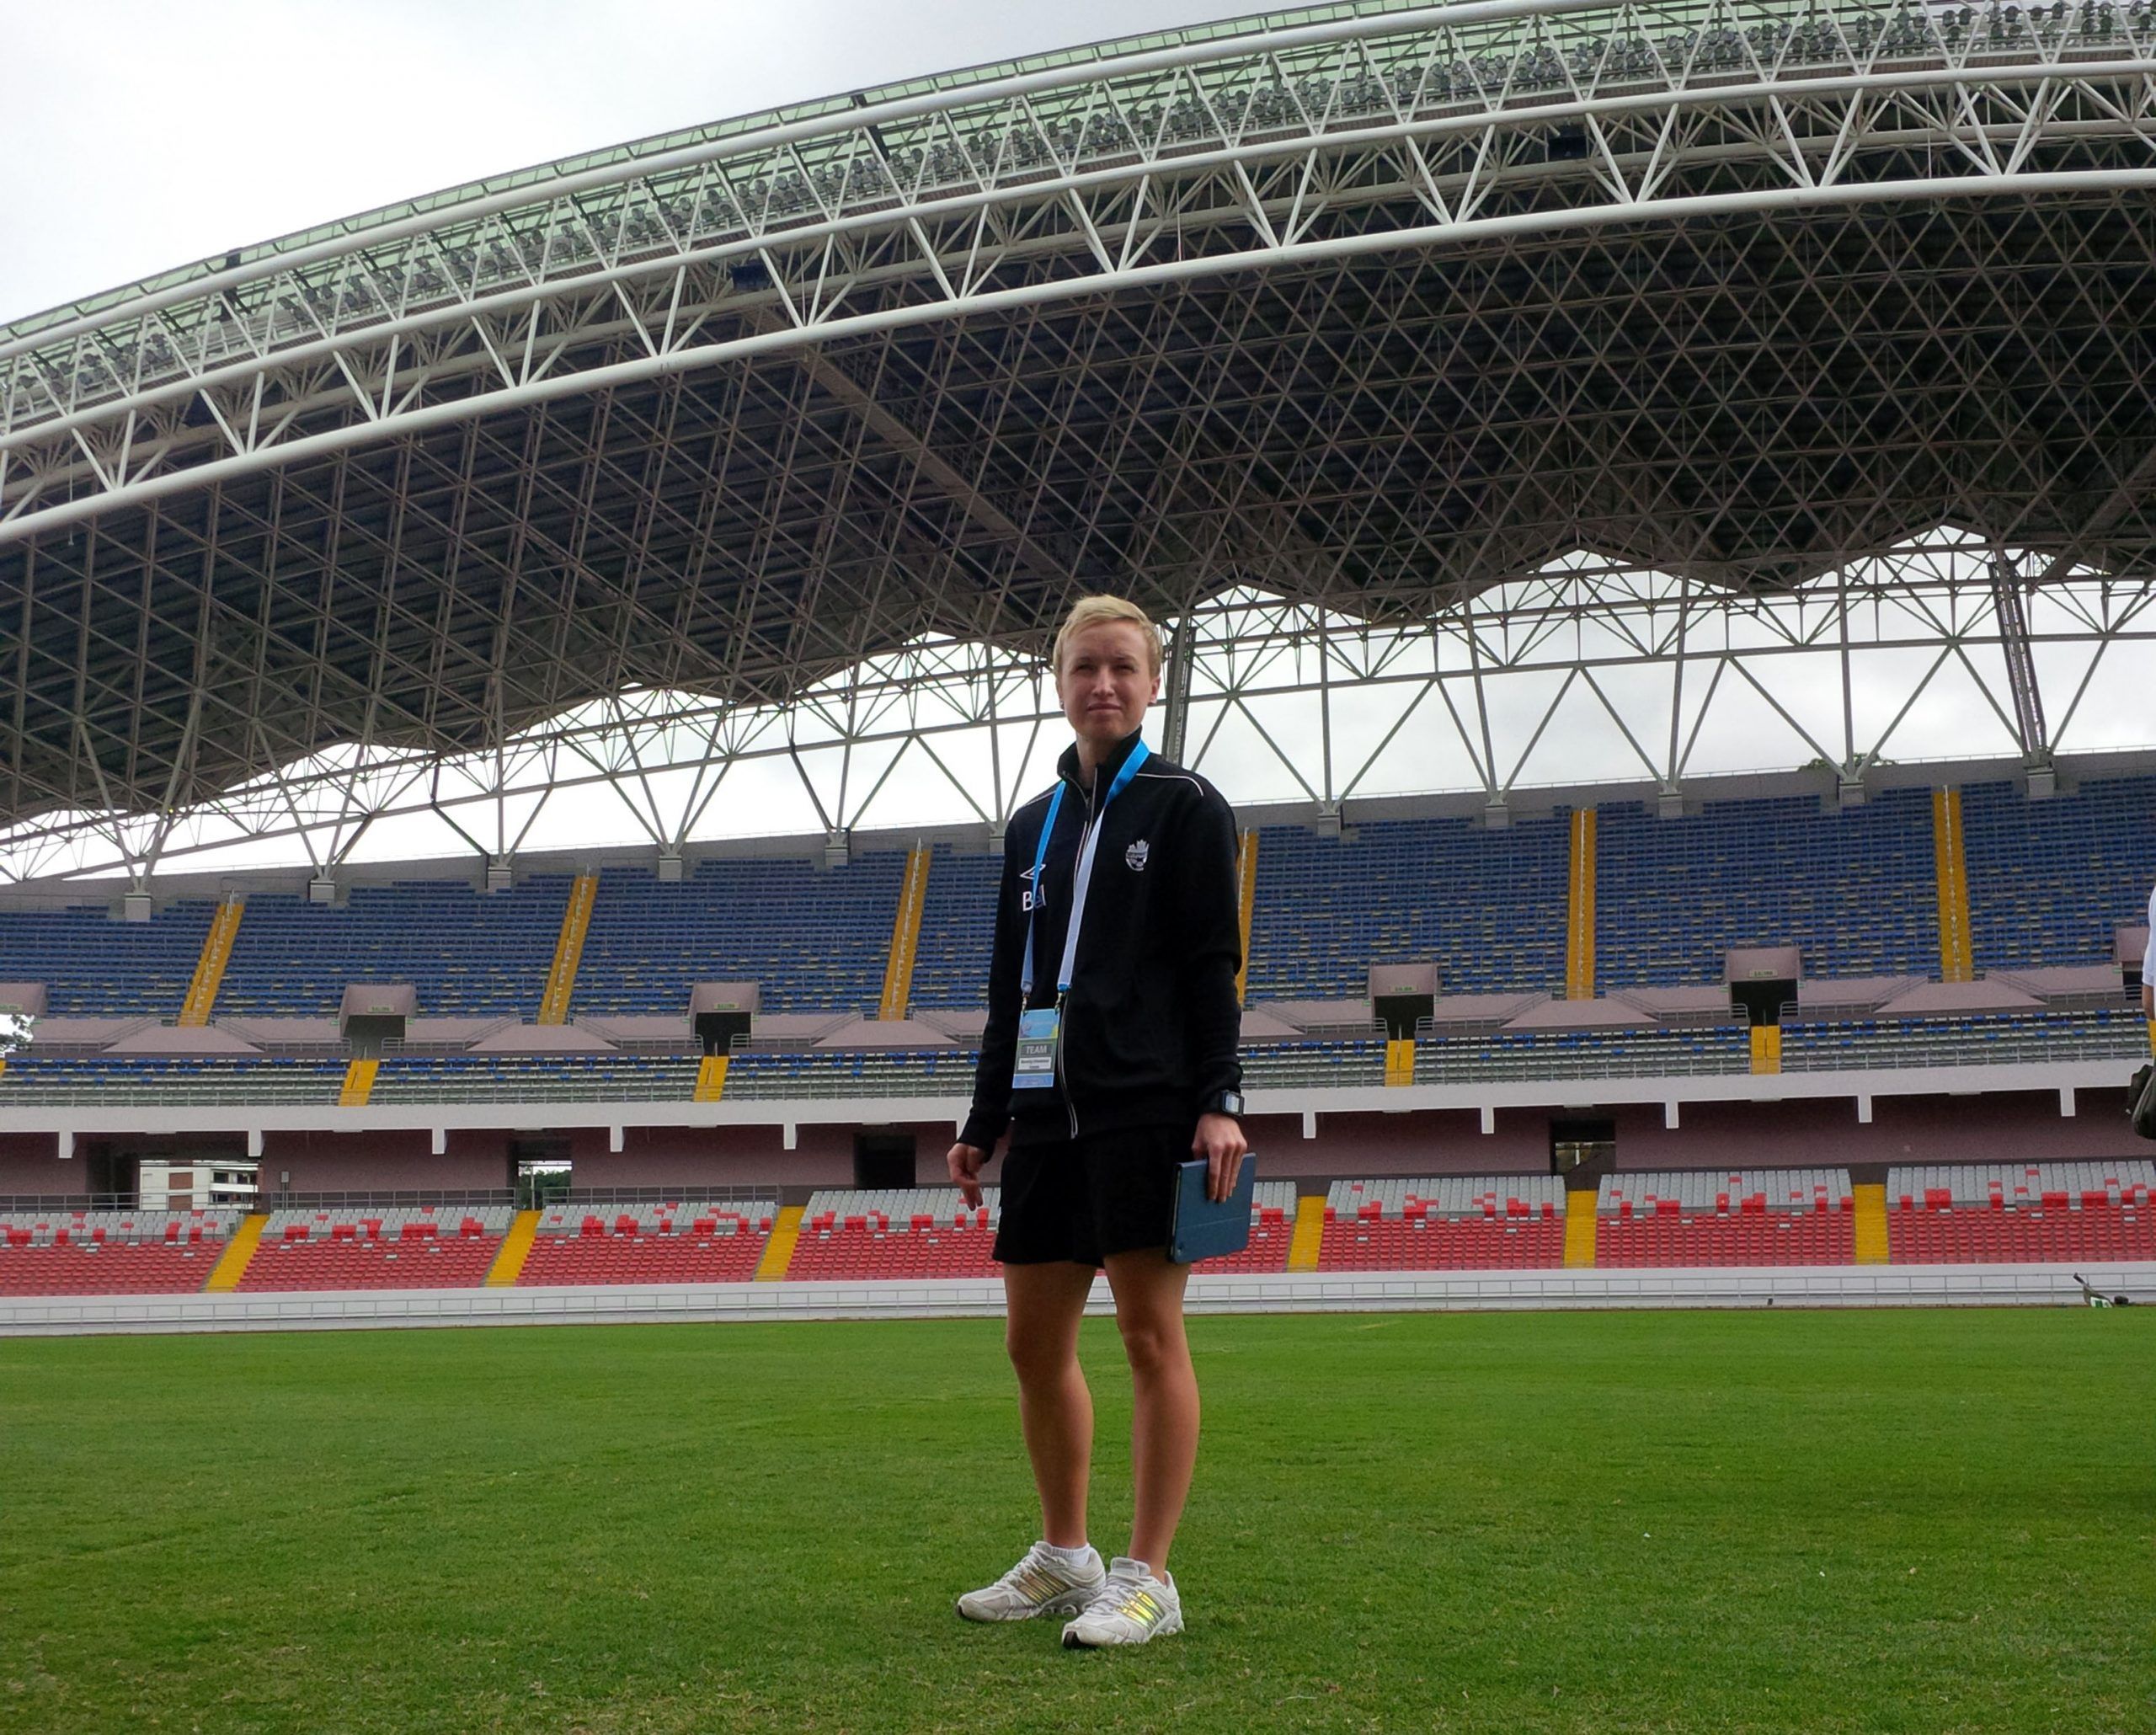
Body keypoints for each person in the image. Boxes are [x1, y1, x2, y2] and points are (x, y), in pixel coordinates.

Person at [947, 594, 1247, 1649]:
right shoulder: (1031, 825)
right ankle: (1065, 1554)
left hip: (1146, 1102)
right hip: (1044, 1112)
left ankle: (1148, 1575)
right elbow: (1008, 983)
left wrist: (1219, 1100)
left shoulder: (1184, 804)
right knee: (1033, 1344)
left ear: (1153, 680)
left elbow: (1214, 964)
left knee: (1147, 1336)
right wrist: (985, 1117)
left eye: (1123, 665)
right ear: (1059, 680)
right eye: (1084, 666)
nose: (1103, 683)